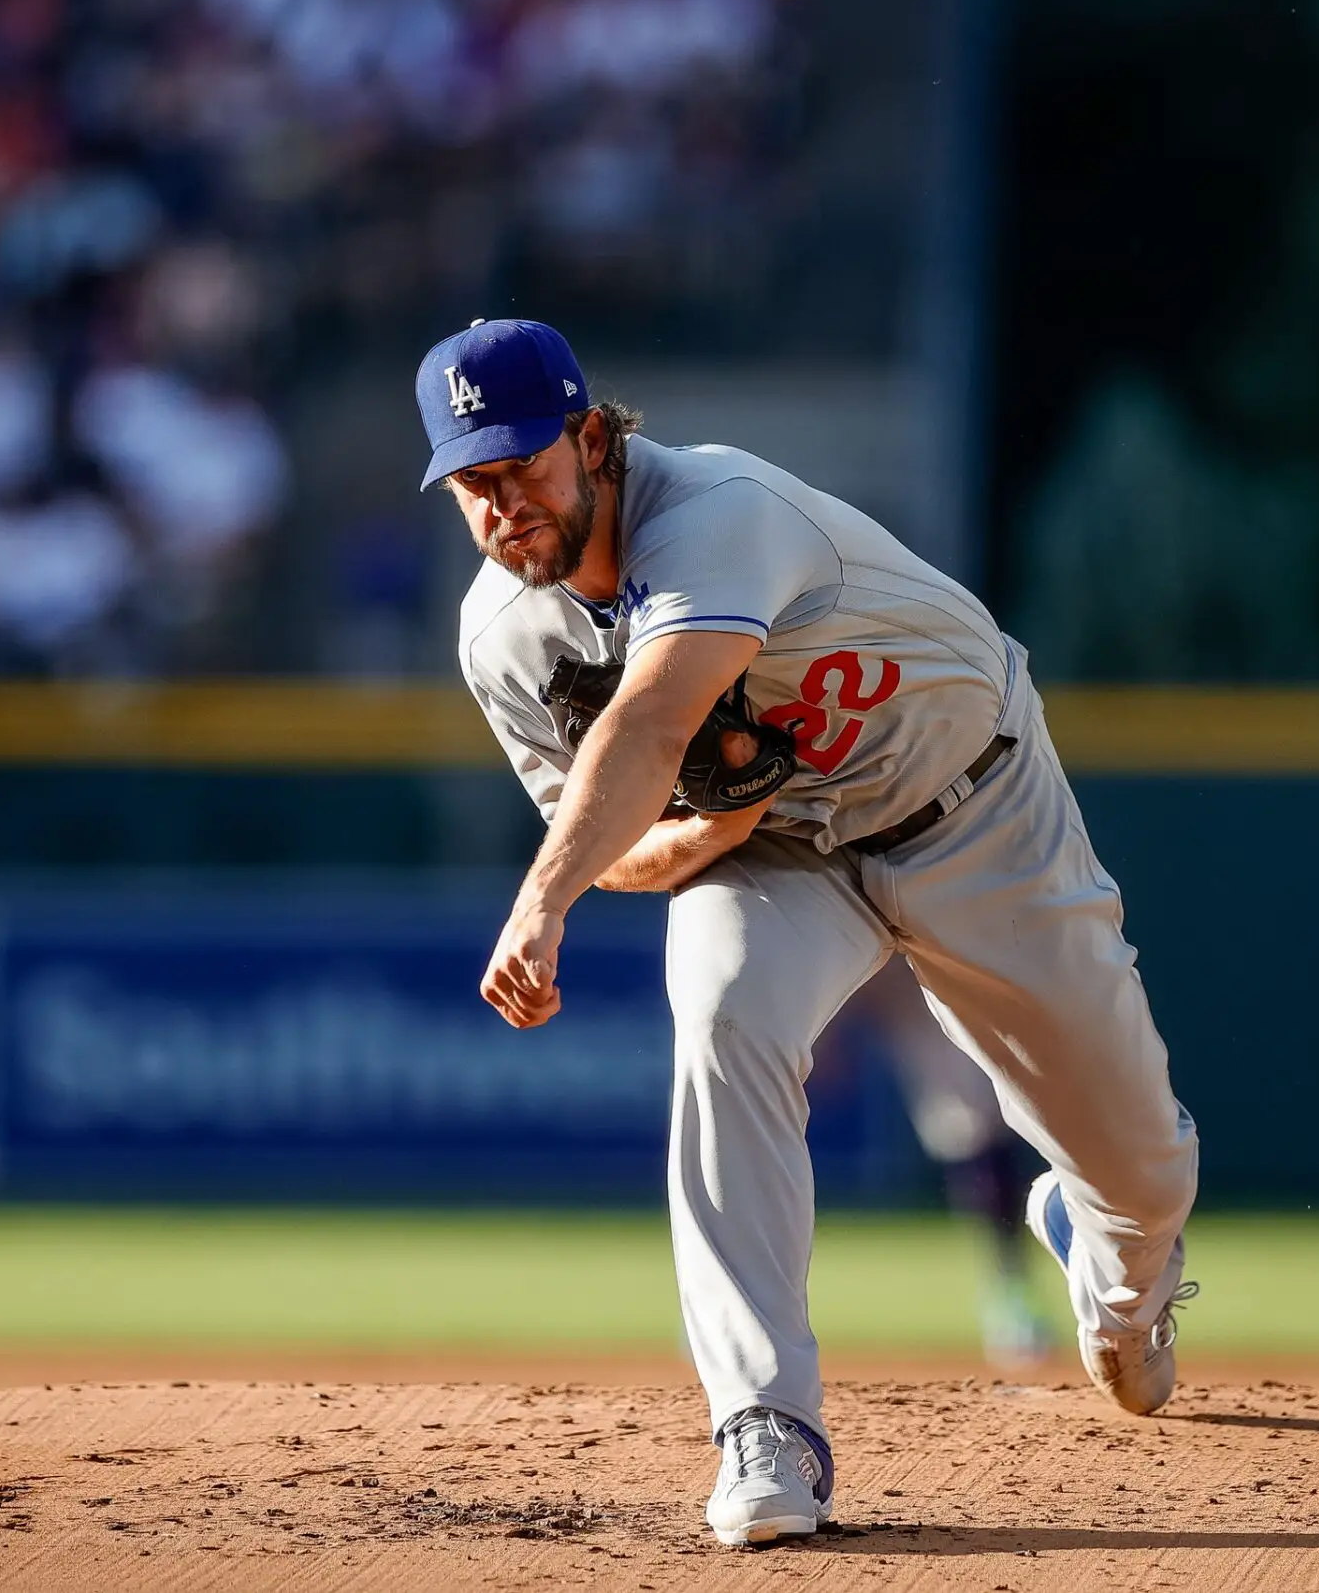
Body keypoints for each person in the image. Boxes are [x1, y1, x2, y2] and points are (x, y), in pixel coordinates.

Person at [424, 318, 1199, 1547]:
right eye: (473, 483)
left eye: (522, 466)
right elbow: (614, 832)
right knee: (723, 1015)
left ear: (591, 437)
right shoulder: (504, 638)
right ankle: (763, 1424)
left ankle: (1113, 1269)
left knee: (1142, 1164)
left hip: (970, 802)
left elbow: (649, 726)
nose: (502, 505)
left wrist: (537, 902)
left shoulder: (714, 507)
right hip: (785, 853)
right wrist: (706, 841)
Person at [838, 959, 1055, 1369]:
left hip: (963, 957)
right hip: (904, 975)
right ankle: (1013, 1296)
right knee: (970, 1127)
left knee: (992, 1127)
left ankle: (1019, 1293)